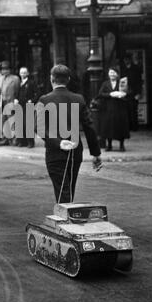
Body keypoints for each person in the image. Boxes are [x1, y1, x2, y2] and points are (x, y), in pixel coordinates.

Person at [36, 64, 102, 204]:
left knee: (62, 190)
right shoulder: (78, 99)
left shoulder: (44, 100)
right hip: (74, 150)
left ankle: (66, 220)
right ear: (69, 79)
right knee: (69, 188)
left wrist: (57, 142)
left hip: (55, 151)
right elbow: (89, 127)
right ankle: (68, 217)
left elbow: (39, 128)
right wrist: (96, 154)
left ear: (51, 79)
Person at [98, 67, 130, 152]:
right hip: (108, 108)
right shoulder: (105, 83)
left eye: (114, 72)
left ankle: (121, 145)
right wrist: (110, 94)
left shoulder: (121, 82)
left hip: (120, 108)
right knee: (109, 128)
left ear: (117, 74)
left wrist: (122, 94)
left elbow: (127, 92)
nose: (112, 74)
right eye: (110, 72)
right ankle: (109, 145)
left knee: (120, 127)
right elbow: (100, 94)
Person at [15, 67, 38, 148]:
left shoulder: (31, 83)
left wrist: (31, 101)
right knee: (20, 124)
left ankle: (30, 142)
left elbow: (37, 94)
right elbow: (17, 93)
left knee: (28, 124)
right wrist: (16, 99)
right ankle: (22, 142)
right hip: (20, 106)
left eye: (24, 73)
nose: (23, 74)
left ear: (27, 73)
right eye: (21, 73)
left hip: (28, 106)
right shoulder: (19, 83)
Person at [0, 61, 20, 146]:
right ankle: (4, 139)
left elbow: (18, 90)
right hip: (2, 103)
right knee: (2, 122)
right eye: (3, 69)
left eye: (7, 69)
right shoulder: (0, 78)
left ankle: (15, 139)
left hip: (10, 102)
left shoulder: (15, 79)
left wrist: (16, 99)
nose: (5, 71)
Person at [122, 54, 143, 131]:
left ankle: (135, 127)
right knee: (127, 110)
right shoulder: (124, 69)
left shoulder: (136, 69)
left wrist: (139, 93)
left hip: (134, 92)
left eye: (127, 60)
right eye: (125, 60)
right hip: (126, 92)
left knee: (133, 110)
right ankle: (129, 127)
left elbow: (139, 82)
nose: (125, 61)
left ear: (129, 60)